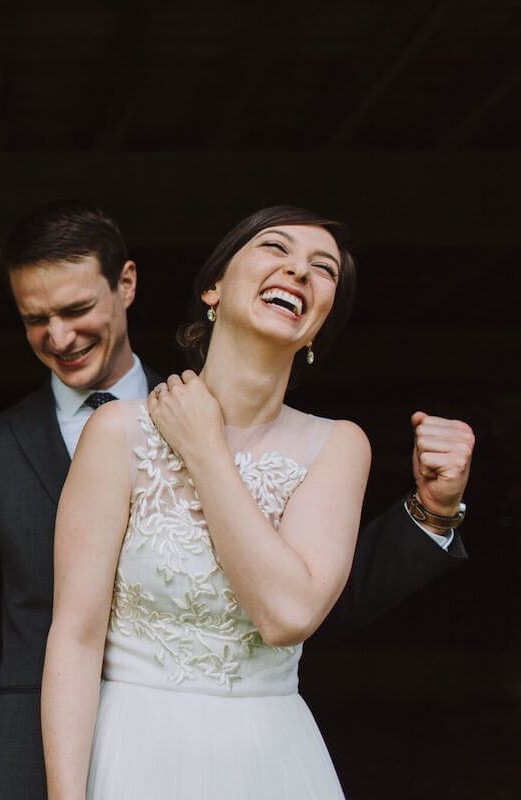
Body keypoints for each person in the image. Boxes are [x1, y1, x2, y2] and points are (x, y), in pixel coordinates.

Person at [0, 200, 473, 799]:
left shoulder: (310, 437)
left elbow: (315, 599)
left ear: (127, 285)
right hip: (68, 757)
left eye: (75, 311)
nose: (60, 336)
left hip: (260, 749)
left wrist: (432, 513)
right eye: (35, 320)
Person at [40, 206, 475, 799]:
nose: (298, 270)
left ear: (319, 324)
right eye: (275, 248)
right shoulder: (117, 433)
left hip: (271, 756)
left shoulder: (338, 445)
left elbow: (288, 614)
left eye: (323, 269)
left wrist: (204, 450)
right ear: (213, 288)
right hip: (134, 746)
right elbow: (76, 637)